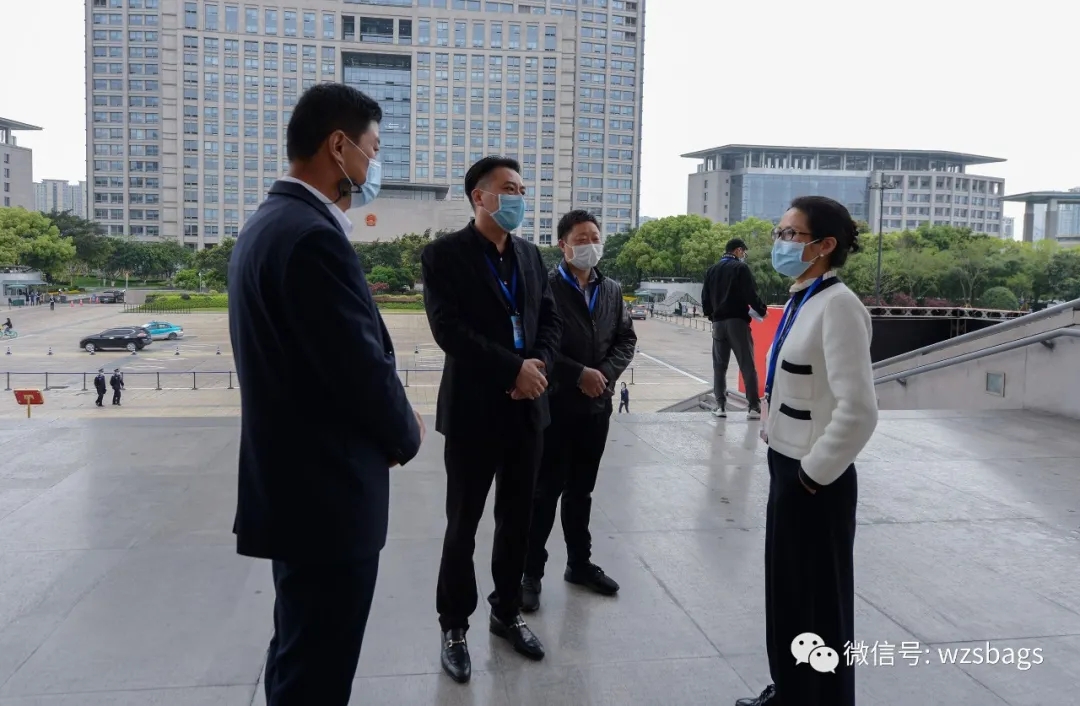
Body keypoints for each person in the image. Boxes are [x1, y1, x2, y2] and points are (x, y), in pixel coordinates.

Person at [228, 83, 424, 706]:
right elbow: (357, 367)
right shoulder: (311, 235)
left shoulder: (269, 224)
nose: (374, 163)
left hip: (296, 491)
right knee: (318, 670)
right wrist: (407, 431)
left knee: (299, 652)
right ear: (338, 146)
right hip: (327, 497)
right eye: (372, 148)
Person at [422, 156, 561, 684]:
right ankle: (454, 626)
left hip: (528, 409)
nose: (518, 197)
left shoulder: (530, 254)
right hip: (473, 412)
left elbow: (548, 320)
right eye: (509, 188)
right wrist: (511, 369)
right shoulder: (443, 255)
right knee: (463, 524)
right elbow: (448, 330)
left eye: (522, 189)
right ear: (479, 196)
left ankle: (506, 612)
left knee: (517, 521)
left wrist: (536, 367)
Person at [736, 197, 878, 706]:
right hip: (787, 465)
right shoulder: (803, 299)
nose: (781, 242)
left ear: (824, 245)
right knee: (789, 593)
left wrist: (812, 475)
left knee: (820, 603)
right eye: (780, 232)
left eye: (791, 234)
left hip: (816, 477)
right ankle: (792, 690)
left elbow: (859, 410)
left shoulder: (839, 306)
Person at [521, 210, 636, 613]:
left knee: (581, 490)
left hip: (597, 406)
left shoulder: (612, 290)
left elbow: (625, 339)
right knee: (544, 492)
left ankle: (579, 564)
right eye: (581, 239)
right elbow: (537, 343)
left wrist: (602, 375)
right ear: (563, 245)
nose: (590, 245)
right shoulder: (546, 288)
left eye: (594, 237)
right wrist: (577, 374)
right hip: (555, 405)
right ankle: (530, 573)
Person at [701, 238, 768, 419]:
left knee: (719, 367)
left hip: (718, 324)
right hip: (737, 322)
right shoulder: (740, 268)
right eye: (743, 252)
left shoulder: (711, 270)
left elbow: (705, 299)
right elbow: (751, 294)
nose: (744, 255)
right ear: (738, 250)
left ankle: (720, 406)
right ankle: (753, 408)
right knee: (747, 365)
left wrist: (712, 316)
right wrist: (762, 311)